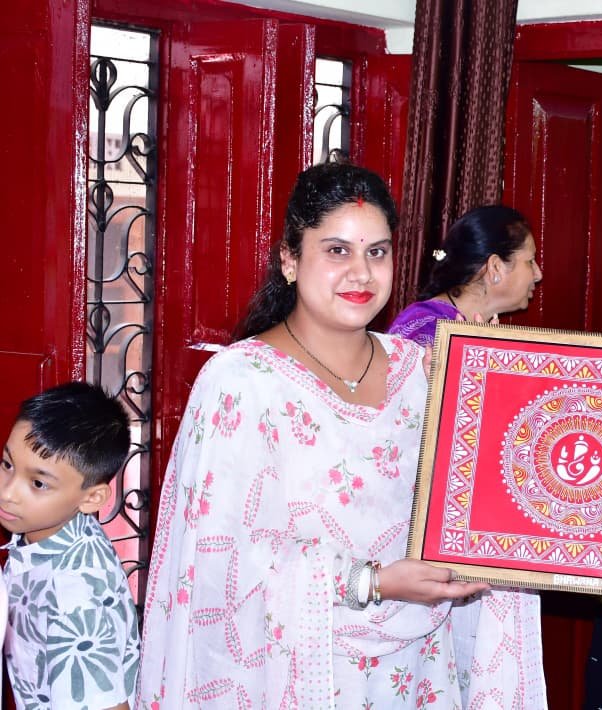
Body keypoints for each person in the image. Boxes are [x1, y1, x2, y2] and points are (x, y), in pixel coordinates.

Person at [136, 162, 546, 707]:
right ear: (290, 259)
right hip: (297, 676)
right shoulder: (241, 384)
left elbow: (503, 488)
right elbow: (220, 569)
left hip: (419, 672)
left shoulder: (423, 372)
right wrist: (373, 582)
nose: (361, 274)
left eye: (377, 252)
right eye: (337, 251)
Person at [1, 381, 139, 709]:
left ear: (92, 498)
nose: (7, 492)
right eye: (7, 465)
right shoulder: (55, 524)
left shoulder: (76, 600)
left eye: (38, 483)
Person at [388, 205, 542, 346]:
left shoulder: (454, 327)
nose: (538, 275)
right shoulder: (427, 330)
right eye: (530, 261)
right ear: (495, 267)